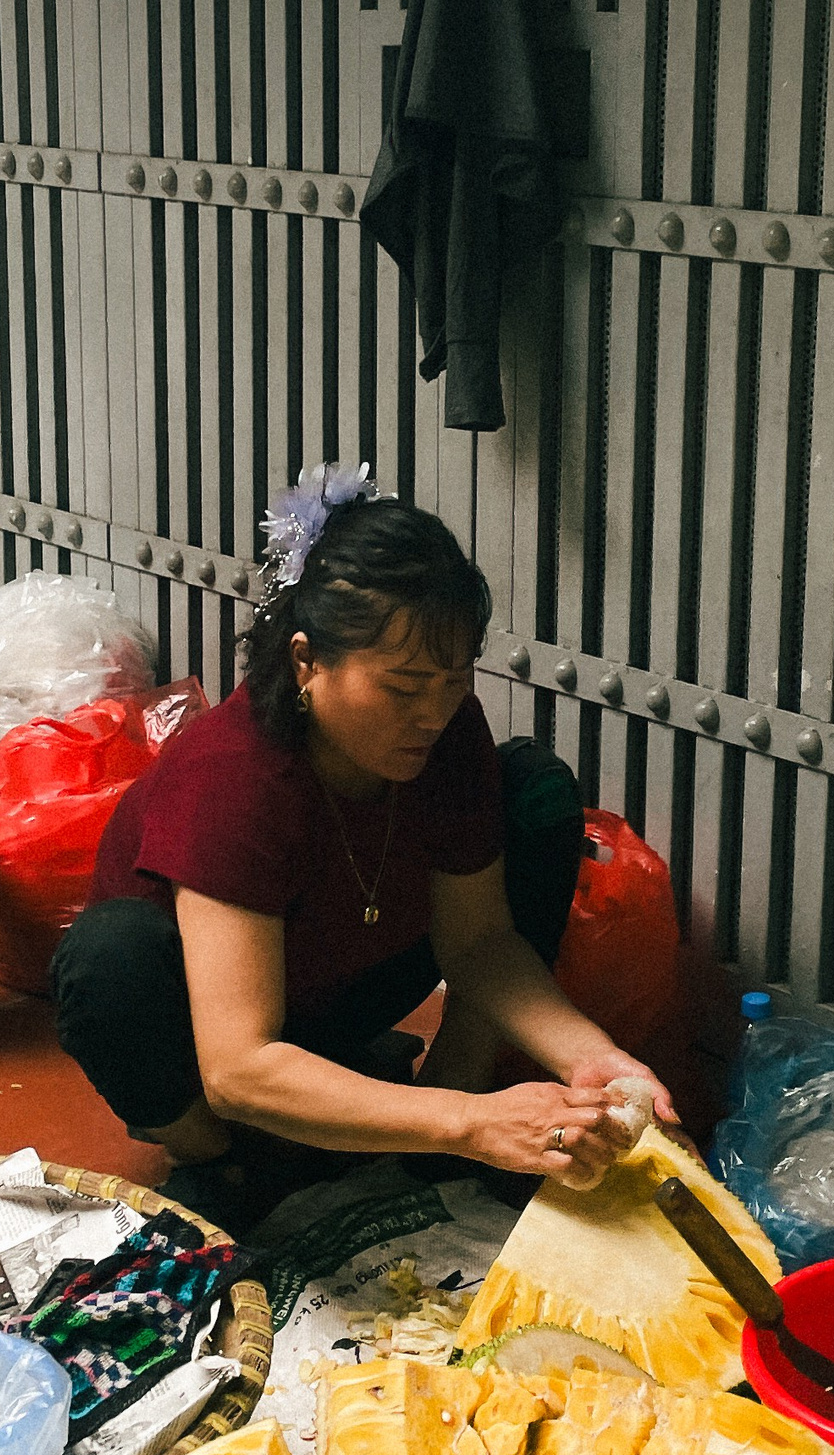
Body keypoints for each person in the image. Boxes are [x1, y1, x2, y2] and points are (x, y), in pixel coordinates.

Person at [50, 466, 673, 1218]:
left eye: (453, 682)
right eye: (403, 687)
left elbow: (478, 944)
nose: (432, 714)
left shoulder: (448, 735)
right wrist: (471, 1125)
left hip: (345, 987)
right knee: (109, 958)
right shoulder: (234, 776)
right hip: (201, 1037)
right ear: (307, 663)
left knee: (536, 793)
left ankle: (431, 1113)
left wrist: (591, 1055)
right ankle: (223, 1156)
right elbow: (240, 1064)